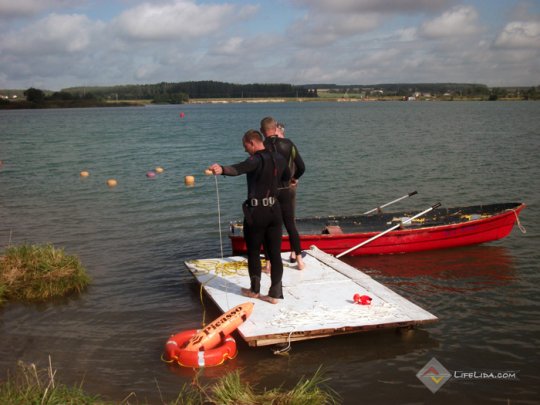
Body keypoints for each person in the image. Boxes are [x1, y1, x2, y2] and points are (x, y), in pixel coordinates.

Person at [208, 129, 290, 304]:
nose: (245, 150)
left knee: (253, 251)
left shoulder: (255, 160)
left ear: (252, 143)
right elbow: (288, 177)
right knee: (275, 253)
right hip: (275, 210)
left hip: (257, 213)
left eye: (245, 146)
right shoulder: (280, 158)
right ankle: (275, 294)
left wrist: (221, 169)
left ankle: (254, 290)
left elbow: (238, 169)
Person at [260, 117, 306, 270]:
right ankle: (299, 261)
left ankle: (268, 264)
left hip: (269, 192)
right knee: (290, 225)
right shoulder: (289, 144)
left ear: (262, 131)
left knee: (268, 226)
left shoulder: (261, 146)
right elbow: (301, 166)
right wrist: (294, 178)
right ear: (276, 129)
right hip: (286, 190)